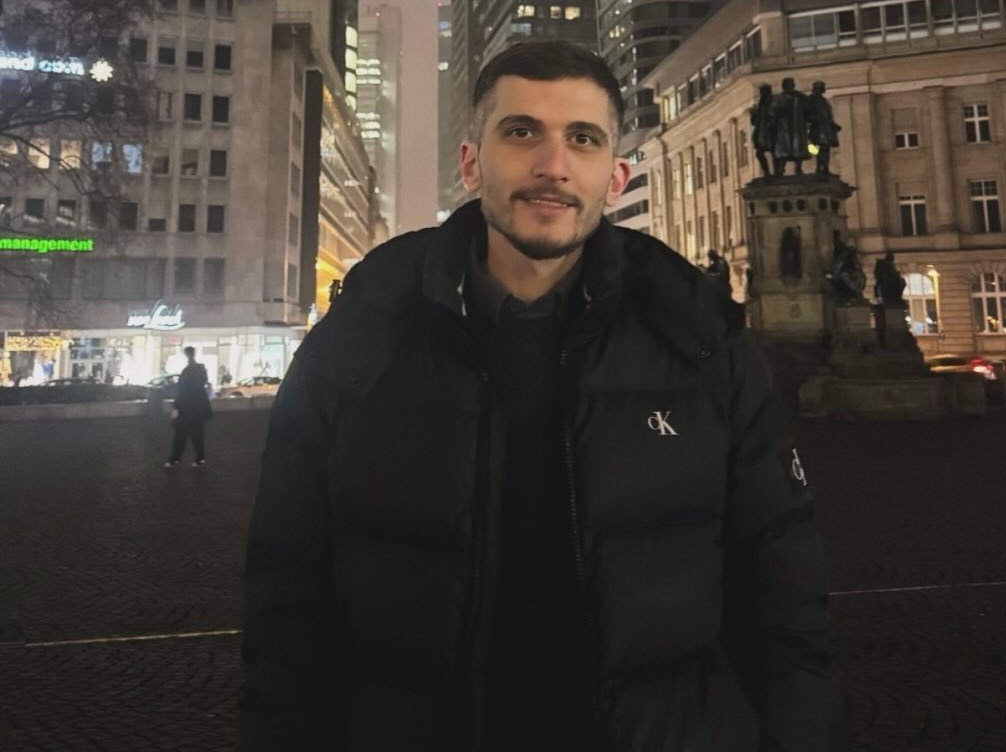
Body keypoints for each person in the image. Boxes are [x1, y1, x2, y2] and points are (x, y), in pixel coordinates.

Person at [240, 41, 834, 752]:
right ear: (471, 164)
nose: (553, 165)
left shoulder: (702, 343)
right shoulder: (356, 342)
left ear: (614, 177)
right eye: (522, 132)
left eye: (582, 139)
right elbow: (286, 597)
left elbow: (784, 589)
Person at [164, 346, 212, 468]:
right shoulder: (199, 369)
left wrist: (176, 406)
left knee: (181, 435)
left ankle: (176, 459)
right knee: (196, 435)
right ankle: (199, 458)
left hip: (187, 407)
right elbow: (200, 384)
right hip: (196, 407)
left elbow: (182, 390)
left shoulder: (188, 371)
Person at [766, 76, 810, 175]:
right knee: (783, 148)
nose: (788, 87)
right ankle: (781, 168)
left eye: (790, 84)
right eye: (786, 85)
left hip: (797, 126)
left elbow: (808, 108)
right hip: (784, 126)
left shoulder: (800, 97)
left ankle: (798, 168)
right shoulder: (779, 98)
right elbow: (772, 111)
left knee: (798, 147)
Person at [805, 81, 841, 177]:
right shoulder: (811, 99)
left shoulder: (823, 100)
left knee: (825, 148)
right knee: (820, 148)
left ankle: (825, 168)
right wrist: (814, 119)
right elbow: (806, 113)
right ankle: (820, 168)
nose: (823, 89)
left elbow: (827, 116)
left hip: (825, 128)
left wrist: (833, 125)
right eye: (821, 87)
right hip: (817, 128)